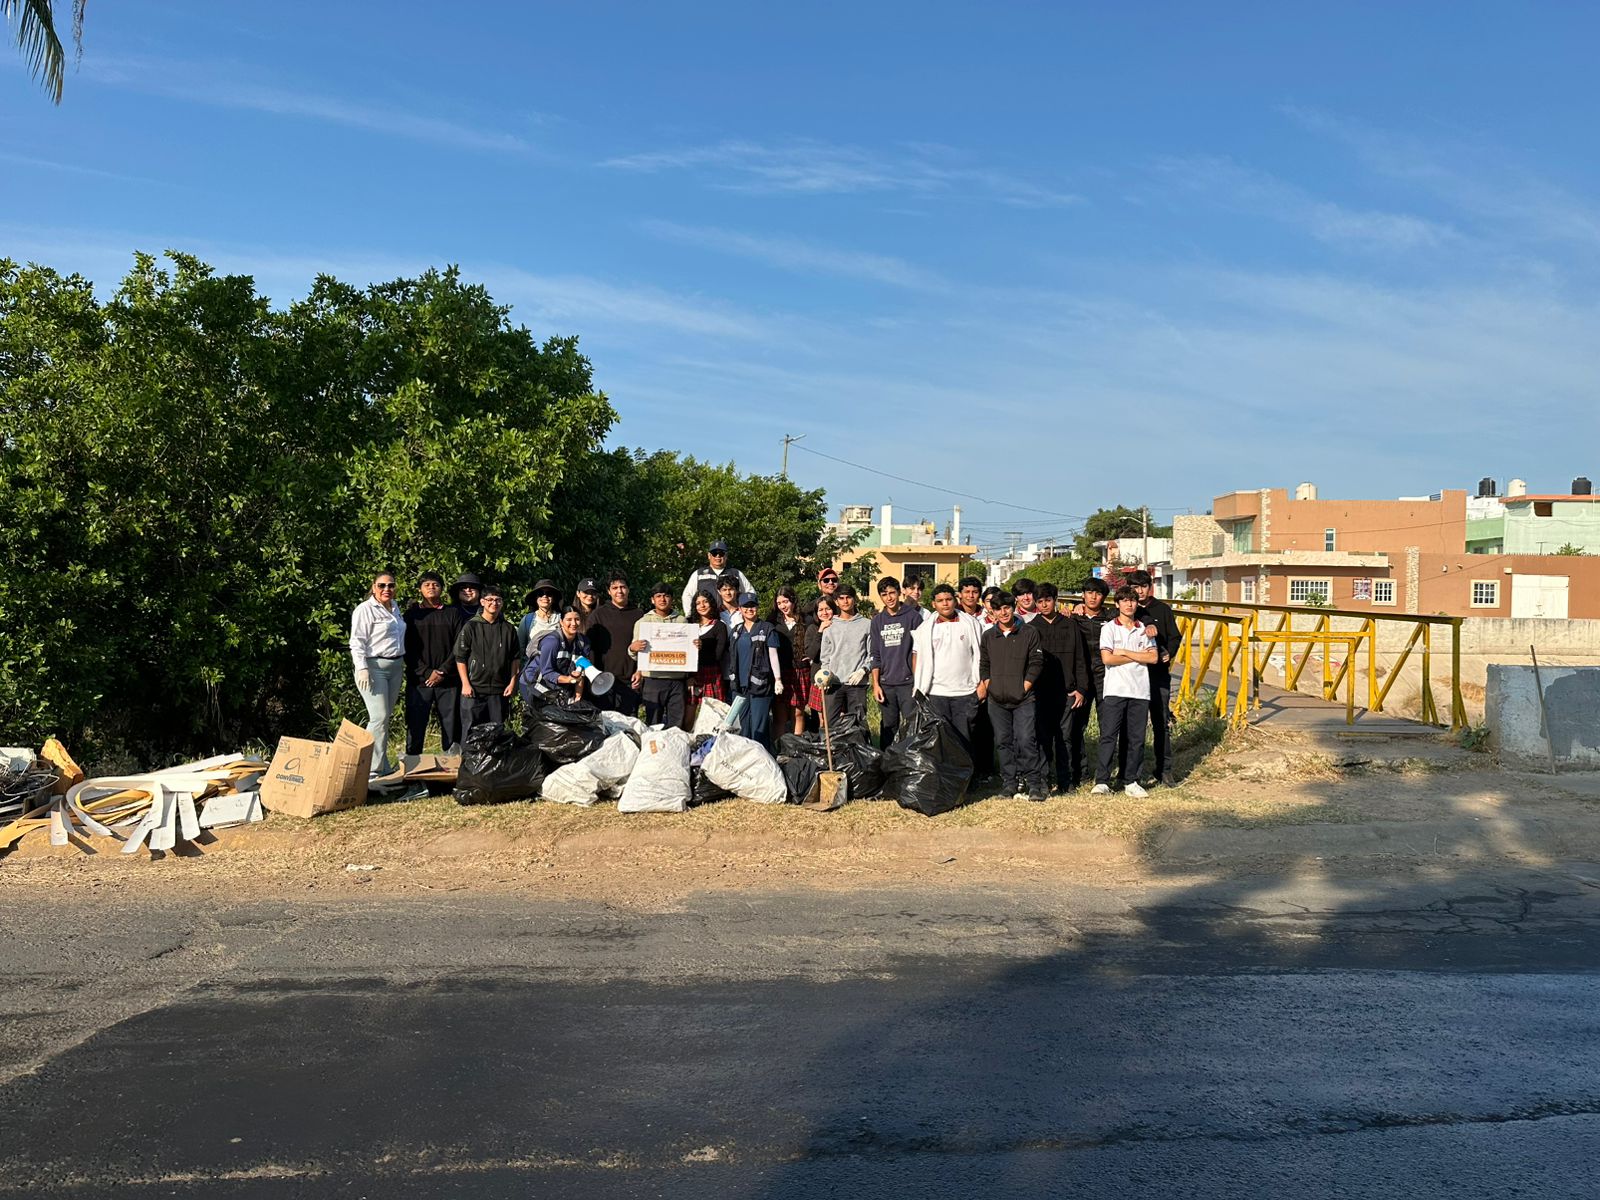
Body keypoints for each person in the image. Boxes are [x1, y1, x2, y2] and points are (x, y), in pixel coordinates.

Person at [979, 591, 1047, 800]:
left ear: (1013, 607)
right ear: (992, 612)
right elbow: (984, 664)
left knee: (1026, 740)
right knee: (1003, 741)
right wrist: (990, 685)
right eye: (998, 609)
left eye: (1006, 607)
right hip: (996, 700)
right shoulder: (988, 636)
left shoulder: (1029, 632)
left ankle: (1034, 784)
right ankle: (1009, 783)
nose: (1003, 612)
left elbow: (1036, 663)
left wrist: (1024, 687)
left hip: (1023, 699)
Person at [1094, 585, 1159, 798]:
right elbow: (1107, 658)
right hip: (1115, 689)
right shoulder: (1109, 628)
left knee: (1136, 739)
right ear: (1117, 604)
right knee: (1108, 736)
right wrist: (1138, 655)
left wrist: (1124, 652)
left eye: (1132, 600)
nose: (1129, 604)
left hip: (1140, 690)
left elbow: (1153, 658)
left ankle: (1131, 780)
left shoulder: (1144, 629)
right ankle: (1102, 781)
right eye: (1124, 600)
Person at [1028, 582, 1091, 791]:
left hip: (1068, 691)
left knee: (1066, 738)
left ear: (1055, 600)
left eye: (1048, 600)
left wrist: (1081, 689)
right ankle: (1044, 781)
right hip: (1041, 692)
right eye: (1040, 601)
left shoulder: (1070, 625)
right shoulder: (1031, 628)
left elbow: (1081, 659)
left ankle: (1066, 781)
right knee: (1043, 737)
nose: (1044, 605)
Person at [909, 583, 984, 741]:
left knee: (964, 739)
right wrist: (919, 684)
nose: (945, 603)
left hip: (965, 693)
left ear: (955, 601)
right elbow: (917, 657)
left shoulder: (970, 624)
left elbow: (981, 655)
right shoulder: (925, 629)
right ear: (933, 604)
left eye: (948, 599)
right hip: (936, 693)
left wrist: (982, 684)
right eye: (940, 600)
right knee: (941, 740)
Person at [350, 569, 406, 777]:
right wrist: (362, 668)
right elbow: (357, 641)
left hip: (396, 666)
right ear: (374, 587)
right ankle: (370, 768)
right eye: (381, 585)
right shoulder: (365, 609)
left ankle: (382, 765)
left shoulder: (395, 607)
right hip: (374, 667)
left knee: (385, 718)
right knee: (378, 717)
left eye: (390, 585)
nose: (386, 589)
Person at [1129, 570, 1183, 787]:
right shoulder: (1127, 608)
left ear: (1150, 587)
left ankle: (1164, 769)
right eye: (1135, 587)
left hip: (1158, 675)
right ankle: (1130, 772)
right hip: (1133, 675)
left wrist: (1169, 651)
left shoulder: (1163, 609)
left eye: (1143, 586)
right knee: (1133, 726)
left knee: (1161, 722)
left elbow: (1175, 636)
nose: (1140, 591)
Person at [403, 570, 465, 758]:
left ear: (442, 589)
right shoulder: (411, 615)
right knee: (415, 724)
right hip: (419, 680)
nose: (431, 587)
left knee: (451, 725)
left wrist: (443, 671)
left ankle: (452, 765)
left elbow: (459, 645)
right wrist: (426, 672)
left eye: (436, 584)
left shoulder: (452, 613)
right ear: (420, 589)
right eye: (427, 584)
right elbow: (406, 648)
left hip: (448, 680)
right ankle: (413, 766)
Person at [452, 584, 522, 731]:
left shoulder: (508, 629)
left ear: (501, 603)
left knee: (497, 731)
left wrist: (512, 683)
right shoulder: (470, 626)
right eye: (490, 599)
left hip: (499, 690)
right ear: (482, 602)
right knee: (471, 731)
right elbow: (460, 657)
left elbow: (515, 658)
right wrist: (465, 684)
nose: (494, 603)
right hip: (474, 689)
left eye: (497, 600)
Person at [1070, 577, 1115, 785]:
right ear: (1083, 595)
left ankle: (1104, 773)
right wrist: (1071, 609)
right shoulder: (1073, 618)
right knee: (1077, 726)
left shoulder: (1112, 617)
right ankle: (1080, 772)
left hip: (1107, 677)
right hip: (1082, 680)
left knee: (1108, 726)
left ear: (1104, 597)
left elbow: (1139, 615)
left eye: (1098, 593)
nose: (1093, 597)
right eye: (1089, 592)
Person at [869, 576, 922, 749]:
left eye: (892, 593)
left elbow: (920, 651)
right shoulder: (877, 621)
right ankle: (887, 761)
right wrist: (876, 684)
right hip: (886, 684)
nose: (889, 598)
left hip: (908, 683)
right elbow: (875, 654)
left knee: (911, 726)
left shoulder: (913, 617)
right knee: (888, 726)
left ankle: (909, 762)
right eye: (884, 594)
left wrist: (918, 682)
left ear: (899, 593)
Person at [727, 592, 783, 748]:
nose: (750, 609)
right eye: (746, 606)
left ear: (757, 607)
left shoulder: (767, 628)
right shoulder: (736, 631)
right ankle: (746, 757)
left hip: (761, 686)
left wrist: (778, 679)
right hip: (739, 686)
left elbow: (773, 655)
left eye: (752, 606)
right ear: (740, 609)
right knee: (743, 727)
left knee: (759, 728)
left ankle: (762, 757)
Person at [630, 583, 686, 730]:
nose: (663, 599)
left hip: (677, 679)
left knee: (676, 724)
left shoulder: (682, 621)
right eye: (659, 596)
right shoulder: (643, 622)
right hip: (652, 678)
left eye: (666, 596)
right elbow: (635, 654)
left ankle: (675, 745)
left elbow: (688, 651)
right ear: (652, 600)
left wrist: (695, 645)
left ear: (672, 599)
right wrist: (633, 648)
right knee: (653, 723)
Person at [588, 572, 642, 716]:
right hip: (603, 682)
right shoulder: (598, 615)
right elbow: (590, 649)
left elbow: (646, 649)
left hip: (630, 681)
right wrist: (594, 677)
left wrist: (640, 671)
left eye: (623, 587)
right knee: (606, 724)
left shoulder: (639, 615)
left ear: (628, 589)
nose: (619, 591)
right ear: (609, 591)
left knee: (629, 725)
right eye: (615, 588)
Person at [819, 583, 871, 727]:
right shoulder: (830, 626)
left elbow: (872, 653)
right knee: (831, 725)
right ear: (836, 601)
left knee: (858, 725)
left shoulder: (867, 624)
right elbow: (825, 657)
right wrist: (825, 675)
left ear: (854, 599)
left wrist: (864, 670)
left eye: (848, 597)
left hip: (857, 684)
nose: (845, 601)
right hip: (834, 683)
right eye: (841, 598)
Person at [526, 606, 593, 704]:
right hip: (535, 683)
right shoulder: (551, 642)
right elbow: (547, 673)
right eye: (569, 620)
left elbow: (581, 673)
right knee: (547, 711)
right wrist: (568, 679)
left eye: (577, 619)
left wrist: (577, 698)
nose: (573, 623)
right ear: (561, 622)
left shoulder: (584, 642)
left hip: (559, 686)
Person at [769, 586, 810, 737]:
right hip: (780, 672)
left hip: (800, 670)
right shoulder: (773, 621)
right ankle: (779, 746)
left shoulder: (805, 620)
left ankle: (797, 746)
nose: (783, 606)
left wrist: (810, 655)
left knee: (798, 713)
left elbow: (814, 639)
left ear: (793, 600)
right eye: (779, 603)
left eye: (785, 601)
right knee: (780, 715)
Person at [685, 589, 730, 726]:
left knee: (713, 715)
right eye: (698, 603)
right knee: (689, 714)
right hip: (692, 674)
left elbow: (718, 655)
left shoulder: (719, 626)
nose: (702, 605)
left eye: (705, 602)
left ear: (711, 603)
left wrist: (702, 647)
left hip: (711, 674)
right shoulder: (688, 625)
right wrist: (688, 676)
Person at [681, 540, 753, 618]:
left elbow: (750, 593)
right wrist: (690, 615)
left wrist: (745, 611)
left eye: (721, 553)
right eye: (714, 553)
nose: (718, 556)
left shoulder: (736, 574)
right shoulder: (699, 574)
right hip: (708, 618)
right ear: (709, 556)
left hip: (732, 617)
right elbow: (687, 595)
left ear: (726, 556)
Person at [805, 594, 836, 718]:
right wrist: (820, 631)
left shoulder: (840, 627)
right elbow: (811, 654)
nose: (824, 613)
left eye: (828, 609)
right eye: (820, 610)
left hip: (838, 678)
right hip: (819, 678)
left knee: (838, 717)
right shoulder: (812, 629)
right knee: (822, 719)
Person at [518, 579, 561, 662]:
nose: (545, 596)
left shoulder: (562, 618)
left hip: (557, 666)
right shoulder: (527, 620)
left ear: (554, 598)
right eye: (540, 594)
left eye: (549, 593)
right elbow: (520, 649)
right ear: (536, 598)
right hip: (534, 666)